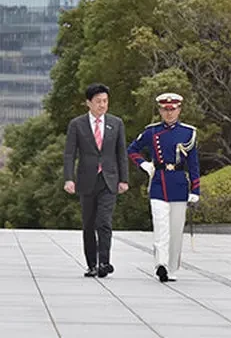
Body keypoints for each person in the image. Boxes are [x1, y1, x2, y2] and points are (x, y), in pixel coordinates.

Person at [127, 93, 200, 282]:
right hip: (159, 182)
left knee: (176, 230)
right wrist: (144, 165)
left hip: (178, 183)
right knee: (161, 227)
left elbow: (193, 164)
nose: (169, 113)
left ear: (179, 110)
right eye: (165, 109)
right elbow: (132, 150)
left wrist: (195, 190)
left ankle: (172, 267)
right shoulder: (151, 132)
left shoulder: (188, 132)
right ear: (160, 110)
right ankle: (161, 264)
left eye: (173, 109)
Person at [63, 83, 129, 277]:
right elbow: (69, 154)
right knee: (89, 224)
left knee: (104, 222)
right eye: (98, 101)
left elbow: (121, 153)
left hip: (109, 179)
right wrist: (69, 179)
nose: (102, 105)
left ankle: (104, 263)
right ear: (88, 103)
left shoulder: (116, 123)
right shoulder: (77, 124)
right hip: (87, 180)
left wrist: (124, 179)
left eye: (105, 101)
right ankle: (92, 264)